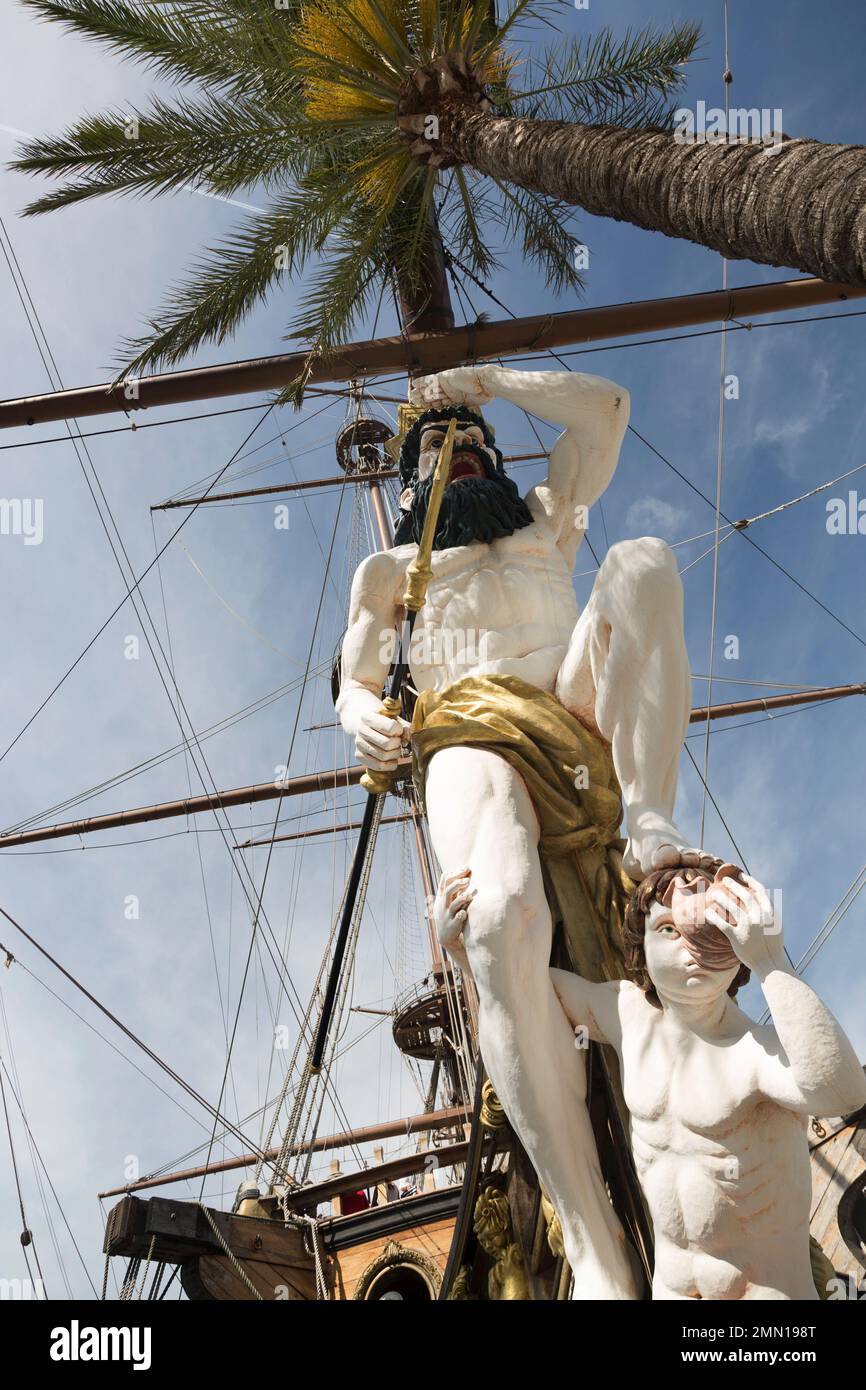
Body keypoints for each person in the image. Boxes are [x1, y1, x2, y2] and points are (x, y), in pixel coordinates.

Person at [337, 363, 701, 1296]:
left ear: (495, 456)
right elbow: (357, 677)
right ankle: (593, 1243)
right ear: (412, 482)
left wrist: (491, 380)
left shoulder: (546, 518)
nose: (455, 451)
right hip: (465, 726)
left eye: (470, 441)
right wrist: (358, 713)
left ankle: (651, 828)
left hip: (570, 707)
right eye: (434, 446)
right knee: (496, 920)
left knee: (645, 564)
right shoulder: (391, 571)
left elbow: (611, 409)